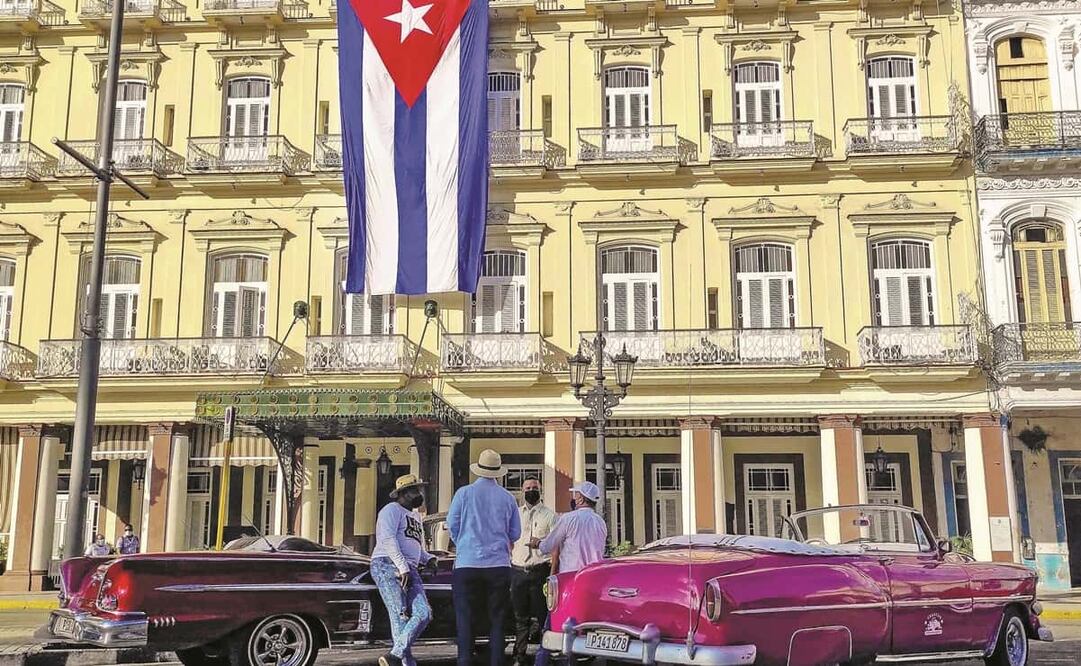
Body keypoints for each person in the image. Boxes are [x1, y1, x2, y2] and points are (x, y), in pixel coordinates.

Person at [447, 449, 521, 666]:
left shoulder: (464, 493)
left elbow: (452, 524)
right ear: (498, 472)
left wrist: (463, 541)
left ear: (478, 470)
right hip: (498, 564)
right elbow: (515, 533)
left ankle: (465, 661)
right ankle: (496, 661)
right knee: (497, 619)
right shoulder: (507, 498)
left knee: (465, 617)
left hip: (467, 563)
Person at [531, 481, 608, 666]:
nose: (573, 498)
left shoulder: (569, 519)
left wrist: (537, 544)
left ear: (581, 498)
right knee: (583, 632)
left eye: (575, 495)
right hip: (593, 582)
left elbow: (548, 545)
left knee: (551, 629)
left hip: (570, 582)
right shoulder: (600, 522)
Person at [370, 474, 437, 666]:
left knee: (424, 613)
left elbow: (419, 548)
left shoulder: (416, 516)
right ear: (402, 494)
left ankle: (394, 655)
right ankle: (406, 663)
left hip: (409, 568)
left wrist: (430, 558)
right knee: (399, 614)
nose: (419, 494)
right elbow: (388, 539)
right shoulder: (391, 510)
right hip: (386, 564)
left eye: (419, 490)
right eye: (414, 490)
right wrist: (401, 566)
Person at [510, 477, 556, 666]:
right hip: (518, 570)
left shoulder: (549, 515)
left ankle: (545, 656)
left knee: (543, 616)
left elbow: (555, 545)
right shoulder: (516, 514)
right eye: (527, 488)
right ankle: (519, 656)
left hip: (540, 571)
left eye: (534, 488)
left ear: (541, 490)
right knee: (520, 617)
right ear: (522, 491)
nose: (531, 490)